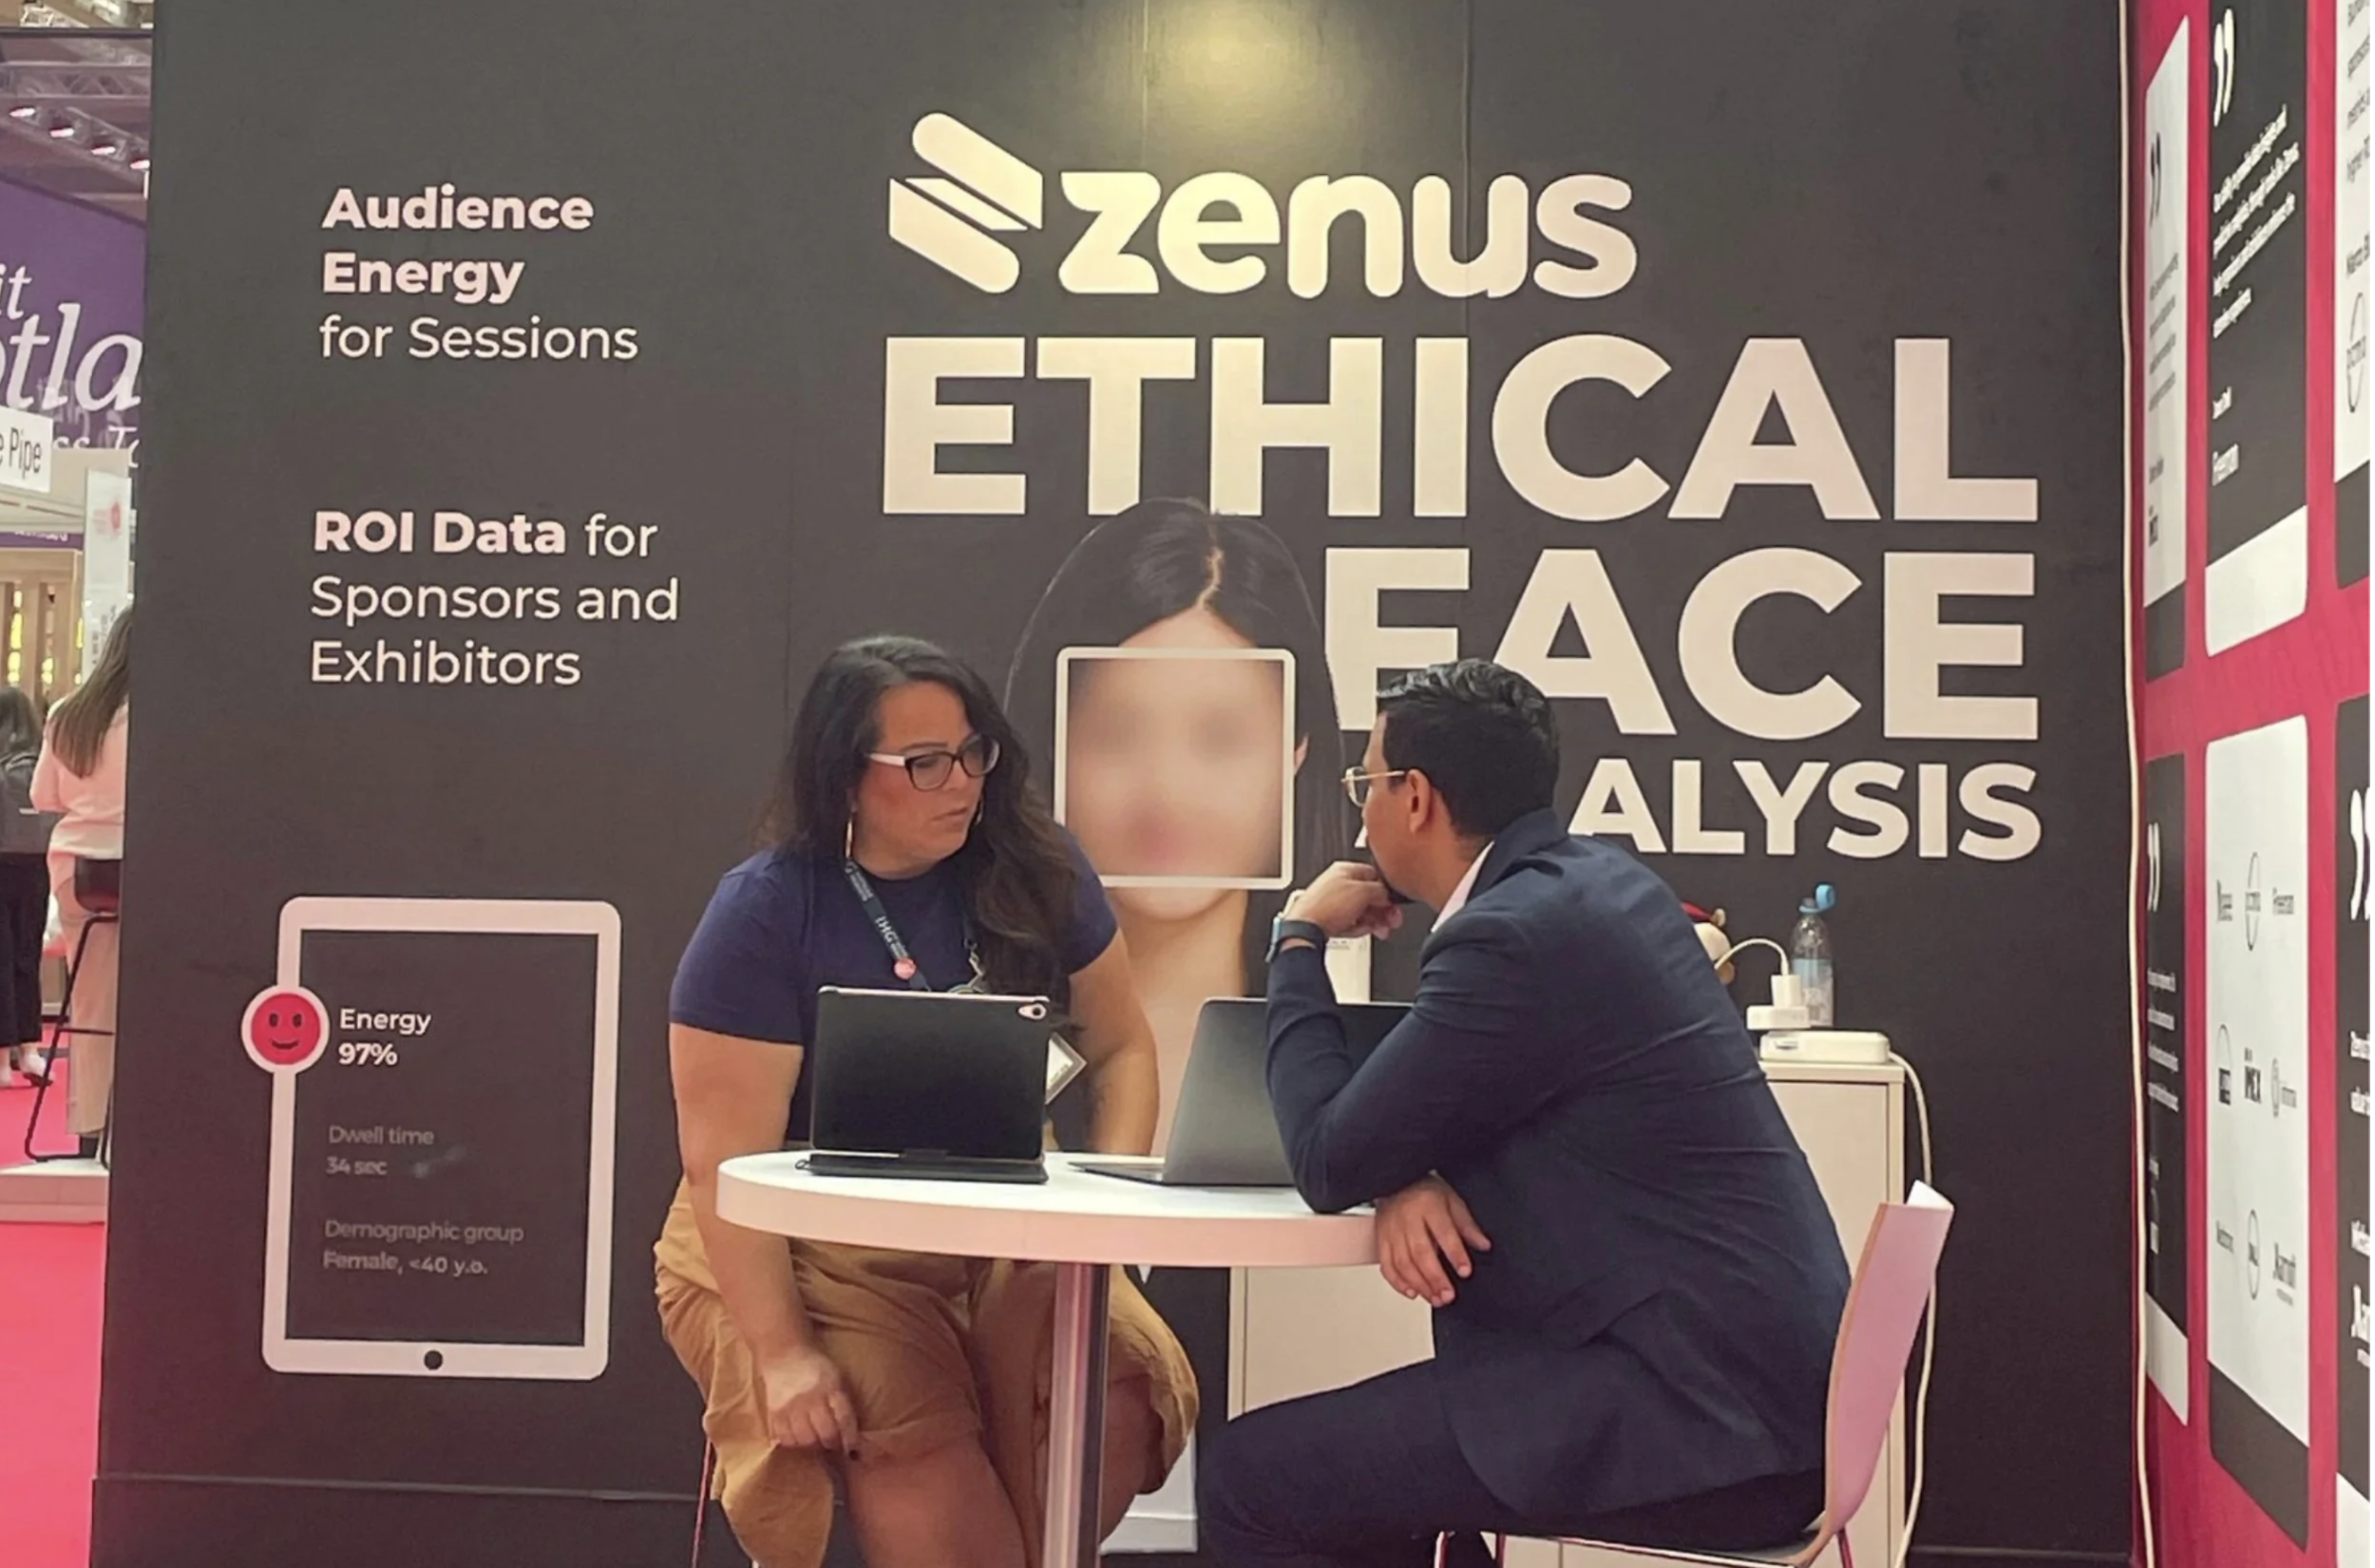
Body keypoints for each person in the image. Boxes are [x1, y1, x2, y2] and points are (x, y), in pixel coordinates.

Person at [1197, 659, 1851, 1568]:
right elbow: (1438, 1110)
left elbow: (1326, 1156)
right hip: (1751, 1389)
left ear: (1415, 797)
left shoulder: (1514, 935)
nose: (1360, 811)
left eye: (1366, 782)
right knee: (1380, 1488)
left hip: (1700, 1419)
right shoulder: (1596, 887)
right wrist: (1406, 1163)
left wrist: (1297, 940)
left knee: (1248, 1480)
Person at [656, 634, 1196, 1568]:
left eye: (972, 750)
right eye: (923, 762)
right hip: (806, 1242)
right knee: (902, 1427)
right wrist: (783, 1354)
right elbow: (721, 1166)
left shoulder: (1034, 863)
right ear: (843, 779)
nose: (961, 781)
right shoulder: (767, 910)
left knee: (1120, 1384)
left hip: (1006, 1212)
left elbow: (1120, 1044)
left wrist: (1106, 1218)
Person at [1005, 498, 1349, 1151]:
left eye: (1221, 737)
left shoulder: (1370, 1026)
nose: (1168, 791)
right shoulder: (980, 1018)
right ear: (1053, 743)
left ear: (1297, 746)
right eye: (1116, 733)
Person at [32, 607, 130, 1150]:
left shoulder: (71, 712)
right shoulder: (170, 712)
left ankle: (92, 1129)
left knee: (91, 1002)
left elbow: (44, 796)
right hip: (148, 860)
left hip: (77, 867)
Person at [0, 687, 48, 1086]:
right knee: (26, 957)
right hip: (38, 865)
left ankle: (1, 1061)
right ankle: (30, 1050)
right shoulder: (41, 760)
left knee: (0, 957)